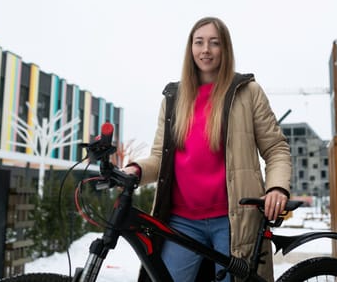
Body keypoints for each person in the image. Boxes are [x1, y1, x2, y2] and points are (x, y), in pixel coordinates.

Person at [123, 16, 292, 282]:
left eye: (214, 43)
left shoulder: (247, 92)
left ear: (225, 49)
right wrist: (134, 169)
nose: (206, 50)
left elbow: (276, 148)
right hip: (181, 222)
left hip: (233, 221)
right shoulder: (173, 99)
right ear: (190, 49)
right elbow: (159, 158)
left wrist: (277, 187)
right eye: (199, 42)